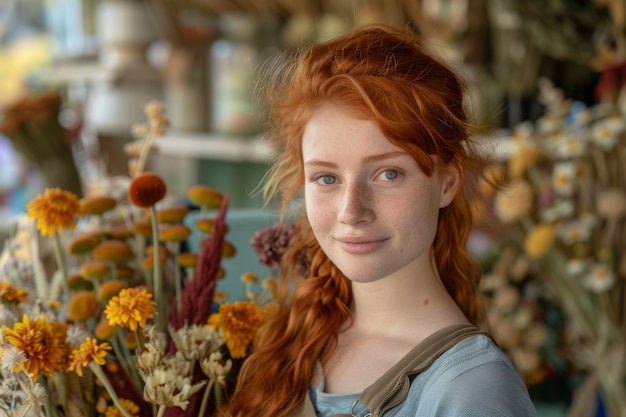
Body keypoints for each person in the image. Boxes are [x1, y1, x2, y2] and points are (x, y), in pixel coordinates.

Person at [219, 24, 537, 417]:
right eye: (327, 178)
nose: (351, 211)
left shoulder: (470, 393)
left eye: (388, 174)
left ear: (448, 182)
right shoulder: (296, 339)